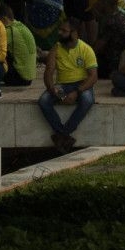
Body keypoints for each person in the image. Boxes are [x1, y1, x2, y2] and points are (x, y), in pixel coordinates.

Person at [38, 17, 98, 152]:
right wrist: (51, 88)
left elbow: (93, 77)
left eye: (64, 31)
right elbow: (48, 72)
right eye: (60, 30)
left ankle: (62, 134)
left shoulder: (86, 49)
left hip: (82, 84)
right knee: (43, 100)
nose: (60, 33)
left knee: (87, 100)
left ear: (74, 33)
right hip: (63, 84)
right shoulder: (56, 48)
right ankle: (64, 134)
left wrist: (77, 91)